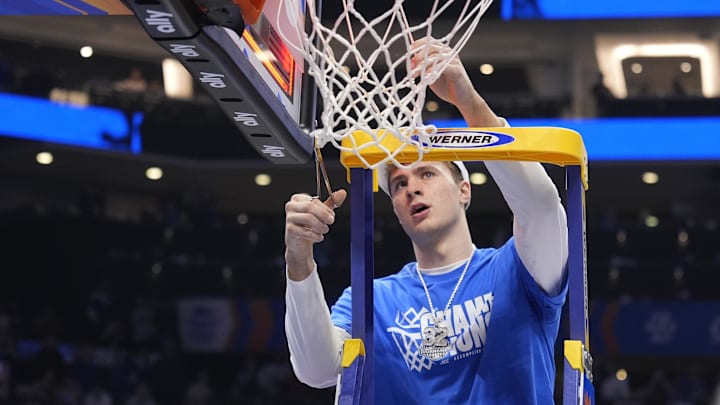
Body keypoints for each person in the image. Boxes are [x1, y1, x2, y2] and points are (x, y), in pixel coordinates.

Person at [283, 40, 568, 404]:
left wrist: (470, 104)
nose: (411, 189)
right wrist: (299, 258)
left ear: (464, 190)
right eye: (399, 183)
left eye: (427, 175)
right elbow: (316, 370)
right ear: (396, 209)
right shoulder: (373, 300)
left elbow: (543, 208)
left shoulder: (516, 269)